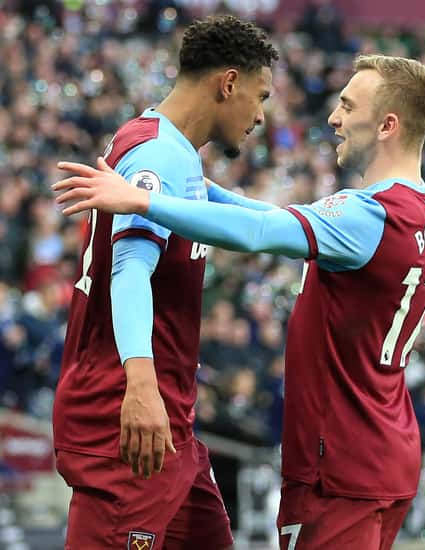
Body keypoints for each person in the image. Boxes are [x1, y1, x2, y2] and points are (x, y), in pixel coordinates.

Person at [54, 54, 425, 550]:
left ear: (388, 124)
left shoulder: (366, 214)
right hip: (387, 444)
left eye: (347, 105)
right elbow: (279, 216)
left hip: (340, 458)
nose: (334, 118)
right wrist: (201, 191)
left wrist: (145, 201)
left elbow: (263, 231)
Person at [51, 15, 278, 550]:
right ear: (228, 83)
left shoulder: (173, 156)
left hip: (171, 430)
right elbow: (130, 271)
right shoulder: (159, 155)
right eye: (259, 95)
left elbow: (255, 222)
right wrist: (142, 386)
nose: (261, 115)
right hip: (129, 421)